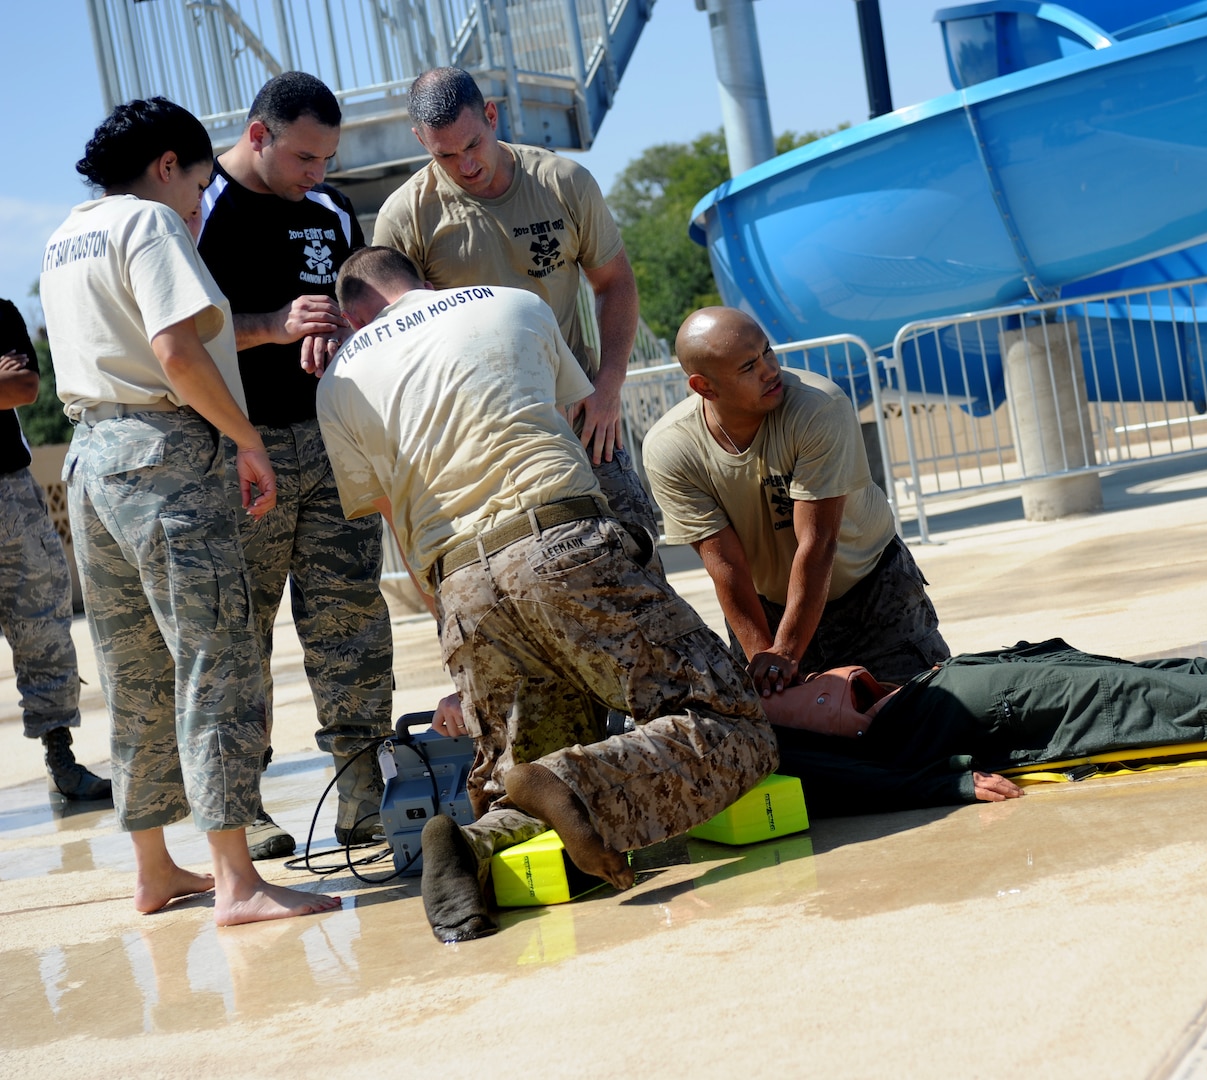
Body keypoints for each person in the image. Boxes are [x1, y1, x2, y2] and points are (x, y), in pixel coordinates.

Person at [315, 246, 775, 943]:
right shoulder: (510, 302)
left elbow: (392, 515)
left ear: (355, 316)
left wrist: (454, 633)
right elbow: (566, 416)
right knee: (731, 723)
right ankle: (575, 782)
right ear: (422, 283)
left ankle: (470, 848)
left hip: (462, 583)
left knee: (517, 772)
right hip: (559, 542)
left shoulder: (340, 375)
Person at [38, 97, 339, 924]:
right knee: (216, 661)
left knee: (135, 671)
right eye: (199, 182)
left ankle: (154, 870)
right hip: (167, 459)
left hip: (93, 461)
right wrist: (245, 439)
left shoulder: (66, 234)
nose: (200, 202)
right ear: (168, 164)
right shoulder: (149, 224)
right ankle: (239, 881)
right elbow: (176, 352)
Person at [769, 560, 1207, 814]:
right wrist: (941, 786)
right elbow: (826, 775)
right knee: (1156, 703)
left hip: (943, 689)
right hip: (946, 721)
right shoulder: (721, 736)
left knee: (1161, 680)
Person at [195, 71, 394, 859]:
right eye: (305, 157)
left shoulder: (332, 209)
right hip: (240, 449)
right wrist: (273, 326)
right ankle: (245, 812)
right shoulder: (198, 207)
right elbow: (178, 340)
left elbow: (360, 307)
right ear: (257, 136)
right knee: (241, 635)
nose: (318, 173)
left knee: (350, 622)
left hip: (330, 439)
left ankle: (364, 795)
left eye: (328, 157)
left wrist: (340, 330)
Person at [371, 67, 659, 562]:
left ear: (491, 115)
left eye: (473, 145)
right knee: (517, 584)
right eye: (444, 155)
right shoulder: (405, 217)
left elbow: (615, 283)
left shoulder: (562, 182)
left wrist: (609, 385)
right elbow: (393, 340)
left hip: (580, 420)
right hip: (477, 440)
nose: (465, 166)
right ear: (420, 140)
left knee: (635, 560)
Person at [644, 306, 950, 697]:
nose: (770, 370)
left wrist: (786, 653)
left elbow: (818, 541)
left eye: (767, 351)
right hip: (766, 608)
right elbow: (726, 566)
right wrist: (767, 661)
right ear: (705, 387)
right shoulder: (671, 448)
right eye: (747, 367)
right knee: (788, 746)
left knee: (921, 720)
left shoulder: (818, 407)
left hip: (872, 595)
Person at [0, 299, 110, 800]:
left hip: (13, 492)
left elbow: (23, 387)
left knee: (43, 628)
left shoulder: (0, 313)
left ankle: (61, 758)